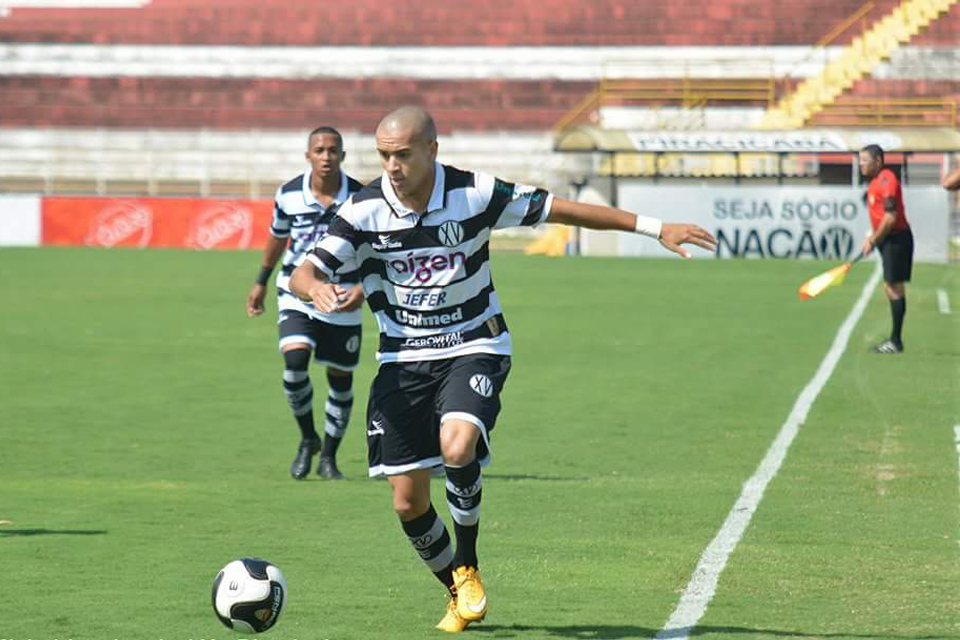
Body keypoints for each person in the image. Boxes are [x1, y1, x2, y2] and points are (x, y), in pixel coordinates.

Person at [290, 106, 716, 632]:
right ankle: (459, 590)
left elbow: (562, 210)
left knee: (458, 445)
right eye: (383, 155)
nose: (392, 165)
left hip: (476, 343)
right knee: (407, 503)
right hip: (402, 360)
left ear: (432, 150)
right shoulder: (362, 210)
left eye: (402, 154)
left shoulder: (475, 194)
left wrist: (655, 228)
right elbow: (306, 270)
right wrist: (316, 288)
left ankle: (467, 561)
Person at [246, 126, 365, 480]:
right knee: (295, 359)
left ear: (342, 156)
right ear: (308, 156)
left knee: (339, 377)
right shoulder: (289, 194)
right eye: (319, 150)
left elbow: (376, 247)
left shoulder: (361, 197)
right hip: (296, 290)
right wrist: (261, 282)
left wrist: (361, 288)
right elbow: (277, 238)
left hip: (342, 295)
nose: (326, 156)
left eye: (333, 150)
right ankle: (307, 437)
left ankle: (329, 456)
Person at [858, 144, 914, 354]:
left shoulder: (886, 179)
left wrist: (873, 241)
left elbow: (890, 218)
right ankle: (895, 340)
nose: (861, 164)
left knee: (894, 287)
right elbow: (881, 217)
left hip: (896, 239)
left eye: (865, 160)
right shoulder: (874, 182)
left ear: (878, 161)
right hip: (887, 240)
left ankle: (895, 341)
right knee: (890, 287)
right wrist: (871, 238)